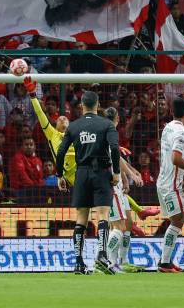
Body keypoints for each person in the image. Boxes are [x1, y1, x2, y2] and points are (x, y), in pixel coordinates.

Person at [24, 76, 158, 219]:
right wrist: (32, 95)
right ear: (55, 125)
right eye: (59, 119)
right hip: (73, 176)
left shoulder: (76, 131)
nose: (62, 118)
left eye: (65, 118)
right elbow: (40, 113)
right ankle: (127, 217)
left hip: (88, 169)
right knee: (107, 192)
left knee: (114, 187)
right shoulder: (52, 134)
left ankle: (136, 214)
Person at [56, 90, 121, 275]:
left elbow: (61, 152)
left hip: (82, 173)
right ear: (98, 105)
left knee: (81, 218)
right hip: (101, 172)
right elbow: (115, 148)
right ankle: (102, 255)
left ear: (82, 105)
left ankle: (78, 263)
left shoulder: (73, 127)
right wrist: (116, 172)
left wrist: (60, 175)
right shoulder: (107, 124)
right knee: (103, 215)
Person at [156, 97, 184, 273]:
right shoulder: (181, 131)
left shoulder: (167, 127)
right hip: (170, 184)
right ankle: (164, 262)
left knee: (177, 220)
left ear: (171, 111)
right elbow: (176, 158)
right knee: (178, 220)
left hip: (165, 181)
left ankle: (166, 260)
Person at [103, 107, 145, 273]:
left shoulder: (108, 133)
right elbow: (116, 156)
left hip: (117, 186)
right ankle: (106, 261)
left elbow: (118, 158)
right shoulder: (108, 133)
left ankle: (122, 261)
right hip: (110, 186)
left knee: (126, 224)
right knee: (118, 227)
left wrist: (128, 176)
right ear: (118, 119)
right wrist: (131, 175)